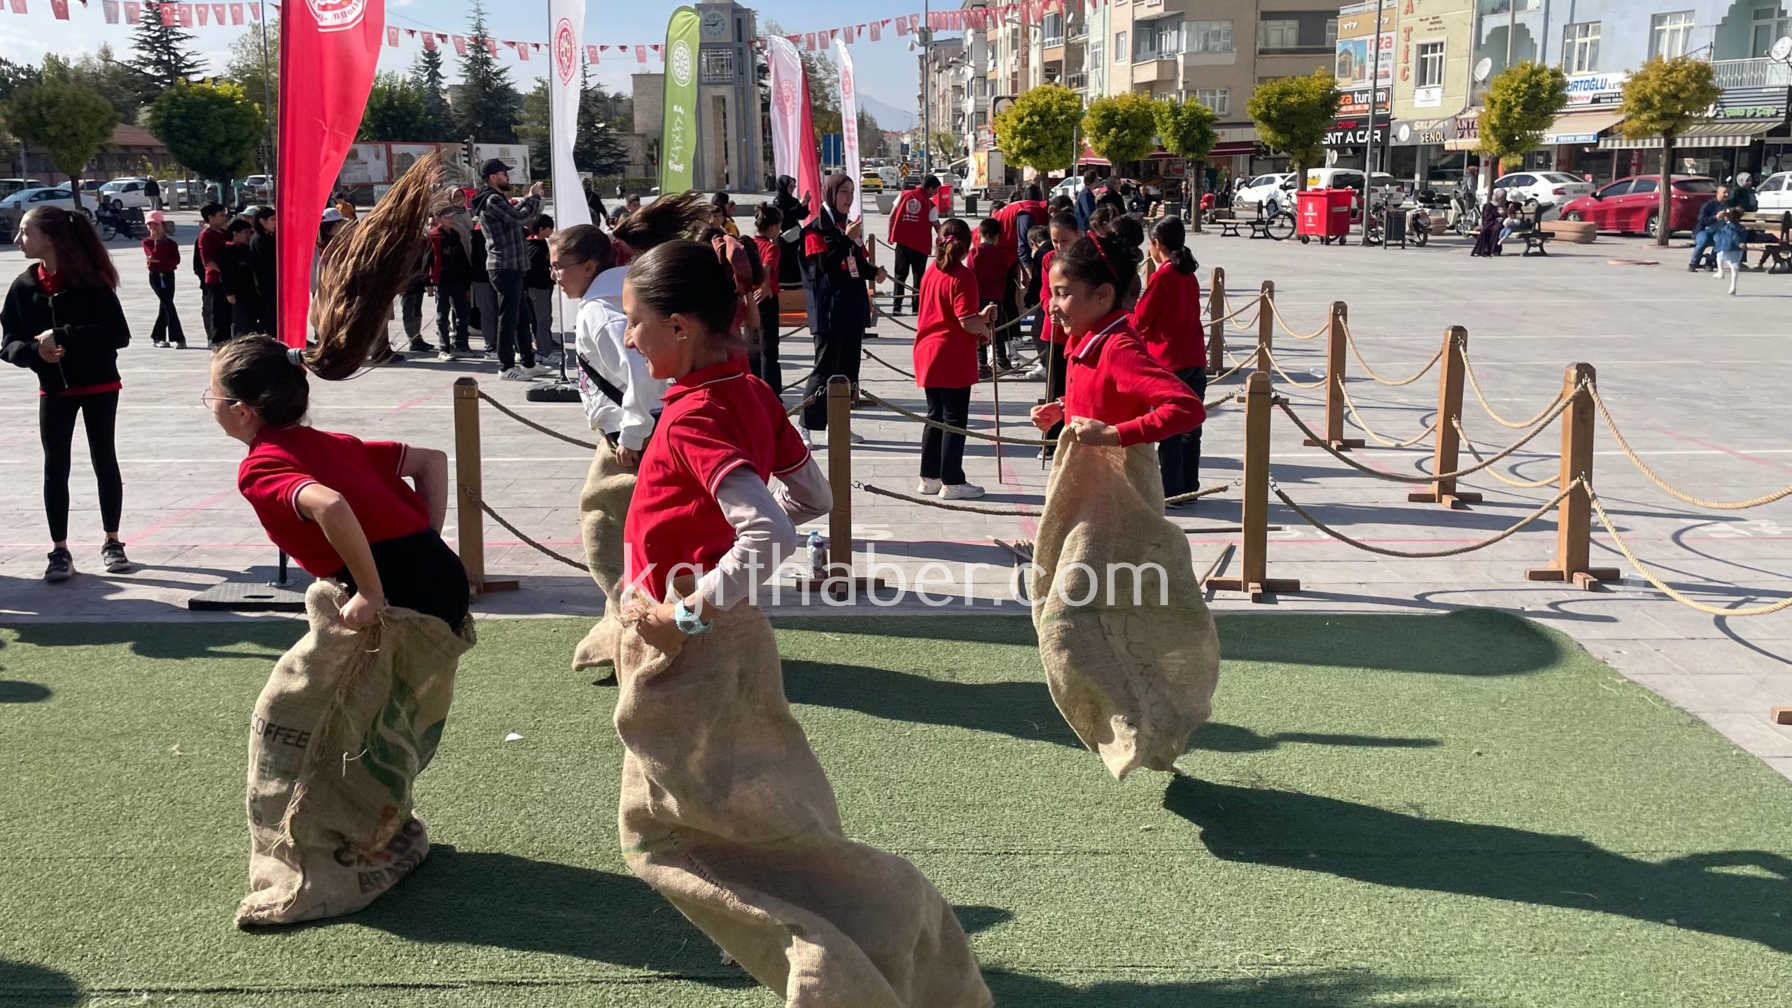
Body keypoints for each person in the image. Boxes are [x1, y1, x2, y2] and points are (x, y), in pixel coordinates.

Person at [612, 240, 990, 1002]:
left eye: (636, 321)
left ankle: (820, 945)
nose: (629, 337)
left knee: (665, 834)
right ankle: (831, 923)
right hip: (736, 635)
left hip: (686, 651)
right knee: (751, 800)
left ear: (681, 327)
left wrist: (685, 612)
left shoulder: (692, 416)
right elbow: (810, 498)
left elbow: (771, 532)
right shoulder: (746, 391)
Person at [2, 206, 133, 581]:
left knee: (103, 458)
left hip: (99, 385)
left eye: (26, 232)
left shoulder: (92, 283)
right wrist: (33, 352)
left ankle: (112, 540)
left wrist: (65, 336)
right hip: (53, 389)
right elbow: (8, 342)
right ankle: (59, 550)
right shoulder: (24, 286)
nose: (18, 240)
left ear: (52, 238)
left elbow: (118, 334)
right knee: (54, 465)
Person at [1029, 232, 1204, 456]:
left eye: (1062, 294)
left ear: (1103, 294)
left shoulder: (1118, 347)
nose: (1052, 306)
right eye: (1052, 294)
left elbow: (1187, 408)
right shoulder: (1087, 338)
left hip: (1114, 484)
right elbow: (1101, 394)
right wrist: (1063, 407)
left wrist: (1115, 435)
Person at [800, 172, 886, 447]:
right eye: (844, 192)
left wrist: (874, 271)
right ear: (830, 193)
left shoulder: (845, 225)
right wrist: (847, 240)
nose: (849, 198)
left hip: (851, 308)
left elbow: (854, 263)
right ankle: (806, 426)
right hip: (828, 311)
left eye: (851, 192)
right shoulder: (815, 229)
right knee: (824, 369)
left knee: (848, 369)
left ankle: (839, 424)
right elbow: (822, 267)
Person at [914, 218, 997, 500]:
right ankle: (952, 479)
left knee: (935, 416)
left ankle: (929, 476)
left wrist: (980, 317)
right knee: (954, 419)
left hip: (928, 350)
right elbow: (965, 321)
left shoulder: (931, 272)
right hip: (952, 354)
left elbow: (954, 313)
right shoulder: (963, 276)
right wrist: (984, 328)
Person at [1133, 217, 1206, 503]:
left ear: (1156, 244)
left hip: (1168, 361)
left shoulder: (1162, 277)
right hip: (1194, 357)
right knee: (1191, 428)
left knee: (1171, 430)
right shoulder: (1188, 275)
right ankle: (1190, 486)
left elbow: (1141, 318)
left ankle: (1172, 490)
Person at [471, 158, 550, 380]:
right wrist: (534, 197)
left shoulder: (497, 199)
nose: (508, 177)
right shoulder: (492, 199)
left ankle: (528, 362)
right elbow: (520, 218)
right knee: (508, 318)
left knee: (521, 316)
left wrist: (529, 199)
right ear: (494, 177)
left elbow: (517, 212)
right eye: (505, 173)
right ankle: (505, 367)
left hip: (513, 266)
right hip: (504, 266)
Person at [1034, 211, 1082, 455]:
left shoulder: (1087, 259)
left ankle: (1077, 437)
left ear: (1078, 235)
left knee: (1079, 387)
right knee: (1054, 388)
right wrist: (1050, 307)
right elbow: (1045, 292)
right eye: (1055, 241)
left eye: (1065, 240)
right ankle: (1051, 441)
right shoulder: (1048, 259)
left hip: (1080, 330)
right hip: (1054, 330)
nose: (1060, 246)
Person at [886, 174, 941, 314]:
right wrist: (942, 240)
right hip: (920, 246)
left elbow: (892, 215)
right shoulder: (930, 205)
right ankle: (916, 308)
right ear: (929, 189)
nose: (936, 193)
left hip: (902, 243)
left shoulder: (903, 195)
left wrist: (890, 234)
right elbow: (936, 225)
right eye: (936, 190)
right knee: (918, 277)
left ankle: (896, 308)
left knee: (899, 276)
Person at [424, 209, 474, 358]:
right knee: (442, 314)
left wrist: (467, 280)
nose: (451, 220)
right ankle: (444, 348)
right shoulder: (434, 236)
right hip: (442, 281)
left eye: (452, 217)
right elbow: (428, 260)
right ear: (439, 219)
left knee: (462, 314)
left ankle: (461, 345)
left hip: (458, 280)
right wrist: (429, 283)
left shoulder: (455, 234)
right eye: (447, 217)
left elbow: (463, 259)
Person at [967, 217, 1013, 378]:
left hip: (979, 297)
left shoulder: (975, 252)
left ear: (980, 234)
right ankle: (1002, 358)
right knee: (997, 330)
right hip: (996, 296)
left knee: (980, 331)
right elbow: (1004, 275)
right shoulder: (1000, 254)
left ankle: (982, 364)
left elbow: (970, 274)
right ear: (997, 236)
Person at [749, 203, 783, 389]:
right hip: (767, 300)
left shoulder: (749, 243)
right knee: (769, 349)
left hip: (749, 298)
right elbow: (767, 267)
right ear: (773, 226)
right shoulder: (771, 248)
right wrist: (765, 284)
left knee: (752, 347)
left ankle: (752, 386)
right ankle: (771, 390)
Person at [142, 211, 186, 349]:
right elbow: (153, 256)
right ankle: (178, 337)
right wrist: (157, 243)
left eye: (155, 224)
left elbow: (175, 260)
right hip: (156, 276)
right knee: (168, 304)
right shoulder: (147, 242)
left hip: (168, 275)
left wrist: (162, 260)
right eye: (150, 225)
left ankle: (158, 336)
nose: (153, 227)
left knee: (165, 305)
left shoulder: (171, 243)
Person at [523, 213, 560, 367]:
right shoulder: (535, 247)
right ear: (542, 229)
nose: (552, 231)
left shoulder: (533, 244)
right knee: (542, 321)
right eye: (550, 228)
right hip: (538, 289)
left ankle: (542, 349)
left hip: (539, 288)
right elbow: (533, 269)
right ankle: (544, 352)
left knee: (541, 321)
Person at [217, 216, 261, 340]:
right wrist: (229, 292)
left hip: (251, 292)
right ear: (235, 234)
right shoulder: (228, 250)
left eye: (250, 232)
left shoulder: (248, 249)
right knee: (241, 322)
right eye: (245, 233)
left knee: (251, 321)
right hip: (238, 293)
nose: (248, 236)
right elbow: (226, 274)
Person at [197, 202, 231, 347]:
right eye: (221, 215)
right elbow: (208, 261)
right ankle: (216, 341)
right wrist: (225, 272)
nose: (224, 218)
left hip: (228, 279)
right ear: (210, 218)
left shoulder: (224, 232)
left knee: (228, 313)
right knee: (217, 312)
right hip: (215, 279)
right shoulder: (206, 235)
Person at [772, 174, 811, 289]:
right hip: (784, 238)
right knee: (786, 263)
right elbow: (784, 216)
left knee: (797, 261)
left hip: (796, 237)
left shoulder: (793, 200)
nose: (793, 189)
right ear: (783, 186)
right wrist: (800, 205)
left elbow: (801, 215)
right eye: (790, 186)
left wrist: (805, 204)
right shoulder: (778, 201)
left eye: (794, 186)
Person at [468, 224, 496, 355]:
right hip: (483, 278)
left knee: (490, 312)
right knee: (488, 312)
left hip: (491, 276)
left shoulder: (477, 234)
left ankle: (495, 343)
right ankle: (491, 344)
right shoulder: (477, 234)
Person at [249, 206, 276, 336]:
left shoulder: (271, 237)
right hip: (266, 285)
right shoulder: (259, 240)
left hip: (275, 284)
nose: (276, 222)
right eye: (272, 219)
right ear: (262, 221)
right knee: (269, 317)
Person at [1713, 206, 1749, 296]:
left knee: (1719, 257)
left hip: (1726, 247)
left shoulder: (1727, 226)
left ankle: (1721, 271)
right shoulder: (1741, 227)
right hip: (1737, 249)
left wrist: (1738, 242)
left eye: (1726, 216)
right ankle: (1733, 286)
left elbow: (1733, 235)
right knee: (1734, 267)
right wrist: (1742, 243)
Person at [1471, 187, 1505, 257]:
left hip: (1500, 223)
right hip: (1489, 222)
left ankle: (1494, 249)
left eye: (1503, 197)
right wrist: (1498, 214)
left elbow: (1516, 206)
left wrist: (1504, 213)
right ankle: (1484, 249)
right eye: (1501, 197)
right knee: (1485, 230)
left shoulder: (1505, 204)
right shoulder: (1488, 205)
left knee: (1496, 228)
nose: (1502, 198)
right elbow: (1486, 217)